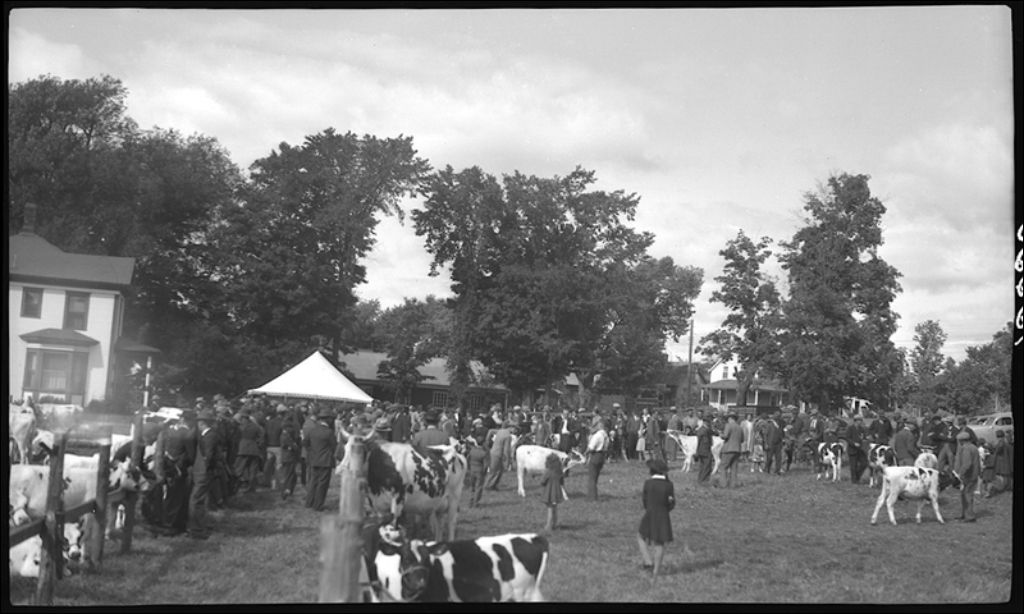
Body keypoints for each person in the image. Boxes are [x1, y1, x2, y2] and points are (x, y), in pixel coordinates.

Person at [637, 458, 685, 583]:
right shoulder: (669, 485)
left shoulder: (648, 483)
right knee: (660, 543)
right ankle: (655, 572)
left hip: (650, 513)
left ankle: (648, 561)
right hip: (663, 515)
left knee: (641, 536)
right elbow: (672, 503)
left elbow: (645, 500)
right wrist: (665, 509)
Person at [187, 409, 220, 540]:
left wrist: (205, 469)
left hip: (202, 472)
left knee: (196, 500)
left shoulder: (209, 436)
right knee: (199, 499)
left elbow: (208, 455)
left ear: (202, 423)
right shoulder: (208, 435)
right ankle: (199, 526)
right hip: (203, 471)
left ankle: (196, 529)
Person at [303, 406, 338, 511]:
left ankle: (309, 502)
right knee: (322, 484)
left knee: (313, 482)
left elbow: (305, 443)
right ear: (328, 419)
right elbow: (334, 446)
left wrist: (312, 451)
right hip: (325, 461)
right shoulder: (329, 432)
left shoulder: (312, 430)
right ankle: (318, 505)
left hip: (314, 459)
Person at [953, 430, 981, 522]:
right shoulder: (973, 447)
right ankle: (965, 514)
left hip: (968, 476)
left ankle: (969, 516)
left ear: (962, 441)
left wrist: (960, 474)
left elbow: (967, 464)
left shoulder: (966, 449)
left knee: (967, 495)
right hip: (973, 474)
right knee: (965, 494)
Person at [234, 409, 264, 493]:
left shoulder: (239, 426)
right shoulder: (255, 426)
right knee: (252, 470)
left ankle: (235, 487)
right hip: (254, 449)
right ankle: (251, 488)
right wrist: (258, 444)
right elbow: (261, 438)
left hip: (242, 449)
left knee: (239, 469)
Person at [540, 451, 566, 532]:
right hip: (557, 492)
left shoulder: (548, 471)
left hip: (549, 492)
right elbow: (562, 482)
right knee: (555, 509)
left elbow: (542, 481)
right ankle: (555, 524)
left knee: (550, 509)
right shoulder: (559, 471)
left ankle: (548, 526)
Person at [278, 410, 301, 500]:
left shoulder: (284, 433)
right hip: (289, 457)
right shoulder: (287, 435)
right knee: (288, 475)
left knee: (290, 474)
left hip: (286, 456)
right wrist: (294, 446)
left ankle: (288, 489)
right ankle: (286, 491)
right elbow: (293, 446)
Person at [485, 425, 514, 490]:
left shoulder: (500, 431)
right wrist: (507, 460)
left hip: (493, 452)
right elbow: (506, 449)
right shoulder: (508, 436)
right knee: (497, 471)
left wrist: (487, 440)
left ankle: (491, 485)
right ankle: (489, 485)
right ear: (511, 428)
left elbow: (490, 430)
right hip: (499, 454)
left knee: (494, 471)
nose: (515, 431)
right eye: (515, 429)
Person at [585, 419, 609, 501]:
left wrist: (585, 453)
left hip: (595, 455)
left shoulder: (597, 435)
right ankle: (593, 495)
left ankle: (592, 497)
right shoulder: (606, 435)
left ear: (600, 425)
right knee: (595, 477)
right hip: (602, 455)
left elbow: (591, 447)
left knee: (592, 477)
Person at [720, 413, 744, 488]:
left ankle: (723, 484)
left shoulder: (728, 425)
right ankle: (733, 485)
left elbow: (725, 436)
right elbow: (742, 440)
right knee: (734, 468)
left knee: (723, 467)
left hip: (728, 449)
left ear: (730, 418)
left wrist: (720, 434)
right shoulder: (739, 427)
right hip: (737, 449)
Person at [465, 436, 489, 508]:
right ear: (483, 443)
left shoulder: (472, 451)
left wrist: (469, 467)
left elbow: (468, 459)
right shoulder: (484, 453)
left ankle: (471, 502)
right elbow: (485, 465)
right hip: (480, 471)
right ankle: (476, 502)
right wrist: (485, 472)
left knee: (472, 487)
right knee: (478, 487)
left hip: (472, 470)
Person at [846, 415, 868, 484]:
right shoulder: (850, 428)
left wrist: (865, 439)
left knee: (864, 463)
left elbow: (864, 437)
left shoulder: (862, 429)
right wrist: (853, 443)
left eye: (861, 420)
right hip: (852, 449)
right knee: (853, 466)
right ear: (855, 421)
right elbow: (847, 438)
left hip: (860, 449)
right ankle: (854, 480)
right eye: (859, 420)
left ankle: (857, 476)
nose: (860, 422)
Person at [695, 415, 714, 485]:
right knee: (706, 466)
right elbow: (699, 441)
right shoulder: (703, 430)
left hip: (704, 450)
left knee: (703, 466)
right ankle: (703, 480)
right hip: (704, 450)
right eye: (709, 421)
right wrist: (697, 451)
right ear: (706, 422)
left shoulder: (706, 429)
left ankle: (701, 480)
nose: (710, 423)